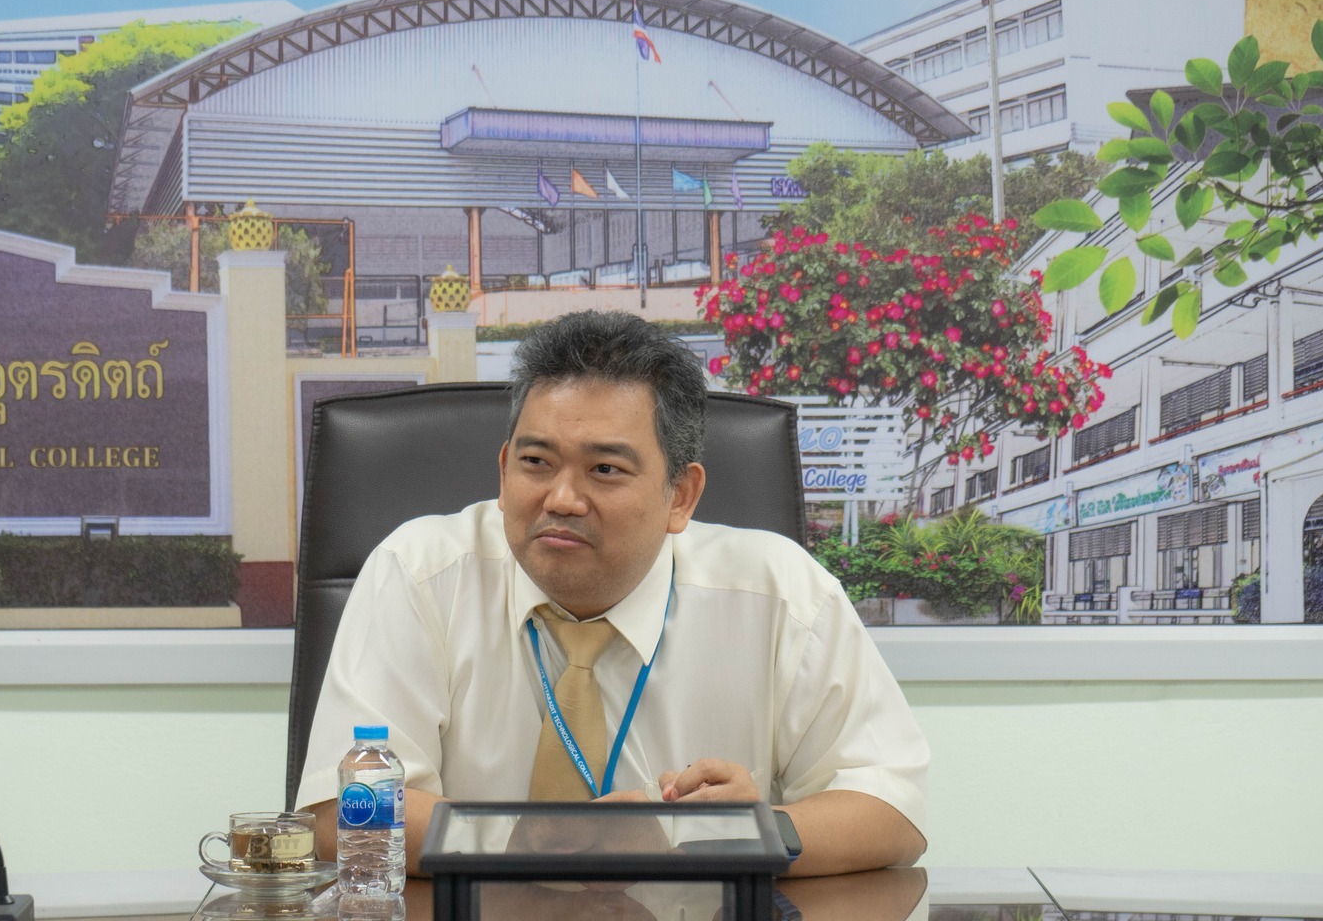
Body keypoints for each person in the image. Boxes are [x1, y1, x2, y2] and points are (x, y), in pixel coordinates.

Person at [296, 310, 928, 877]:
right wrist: (526, 840)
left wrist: (744, 835)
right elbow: (342, 816)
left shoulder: (778, 591)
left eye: (605, 470)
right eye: (536, 462)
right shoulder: (419, 572)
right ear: (503, 467)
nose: (562, 499)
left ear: (680, 495)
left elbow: (892, 809)